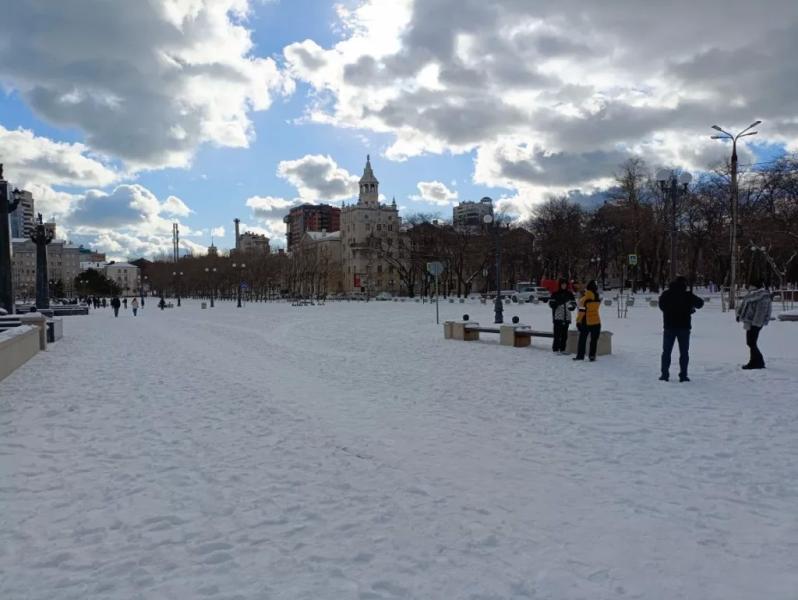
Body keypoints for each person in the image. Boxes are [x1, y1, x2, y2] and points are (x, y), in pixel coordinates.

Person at [658, 276, 704, 382]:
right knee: (684, 353)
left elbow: (661, 306)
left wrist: (670, 311)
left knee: (666, 352)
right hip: (684, 327)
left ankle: (664, 375)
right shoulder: (687, 295)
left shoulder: (666, 294)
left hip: (669, 326)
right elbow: (700, 303)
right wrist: (689, 308)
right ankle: (683, 375)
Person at [736, 281, 772, 369]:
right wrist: (739, 315)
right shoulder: (751, 296)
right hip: (750, 322)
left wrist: (756, 324)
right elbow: (744, 306)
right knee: (751, 343)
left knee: (751, 342)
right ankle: (755, 362)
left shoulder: (763, 296)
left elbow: (761, 311)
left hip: (755, 323)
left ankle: (757, 362)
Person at [573, 280, 601, 361]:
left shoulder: (584, 299)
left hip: (586, 321)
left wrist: (578, 321)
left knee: (582, 339)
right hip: (596, 321)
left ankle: (580, 355)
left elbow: (581, 312)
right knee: (594, 340)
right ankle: (592, 356)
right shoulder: (597, 297)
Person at [548, 278, 576, 354]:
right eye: (562, 284)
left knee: (564, 335)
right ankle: (555, 349)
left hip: (567, 317)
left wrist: (572, 306)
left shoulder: (569, 294)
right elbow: (551, 304)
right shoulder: (555, 294)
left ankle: (563, 349)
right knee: (557, 334)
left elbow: (574, 304)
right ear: (560, 285)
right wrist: (558, 303)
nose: (564, 285)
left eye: (565, 284)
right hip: (557, 317)